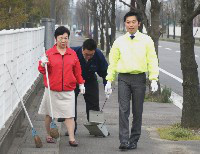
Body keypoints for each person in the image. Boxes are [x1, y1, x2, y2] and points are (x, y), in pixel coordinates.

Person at [105, 11, 159, 150]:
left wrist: (153, 78)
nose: (130, 25)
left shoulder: (147, 40)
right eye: (128, 22)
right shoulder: (119, 41)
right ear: (125, 24)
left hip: (139, 78)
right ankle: (124, 140)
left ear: (139, 23)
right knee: (123, 110)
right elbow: (113, 62)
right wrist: (109, 80)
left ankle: (134, 139)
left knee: (137, 111)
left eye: (133, 22)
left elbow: (152, 60)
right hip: (123, 78)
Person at [38, 26, 85, 147]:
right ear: (55, 39)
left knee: (69, 115)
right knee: (49, 114)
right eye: (61, 38)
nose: (64, 41)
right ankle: (49, 135)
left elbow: (77, 71)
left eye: (66, 38)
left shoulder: (72, 54)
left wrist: (81, 83)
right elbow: (42, 70)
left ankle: (72, 138)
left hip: (68, 90)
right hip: (52, 89)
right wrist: (43, 64)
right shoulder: (49, 53)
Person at [58, 39, 108, 134]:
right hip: (74, 81)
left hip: (90, 80)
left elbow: (104, 71)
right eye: (86, 54)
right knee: (71, 104)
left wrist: (107, 85)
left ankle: (96, 128)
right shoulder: (72, 53)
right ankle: (71, 128)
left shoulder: (98, 54)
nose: (88, 57)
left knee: (93, 105)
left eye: (91, 55)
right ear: (82, 49)